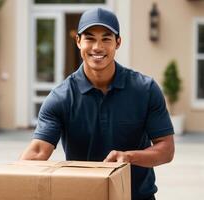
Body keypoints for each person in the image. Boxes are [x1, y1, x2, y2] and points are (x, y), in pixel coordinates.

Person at [21, 7, 174, 200]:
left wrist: (128, 157)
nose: (97, 47)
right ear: (78, 41)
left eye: (106, 39)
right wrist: (6, 183)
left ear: (118, 42)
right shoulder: (61, 97)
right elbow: (38, 151)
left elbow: (166, 149)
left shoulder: (146, 89)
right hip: (83, 196)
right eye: (90, 38)